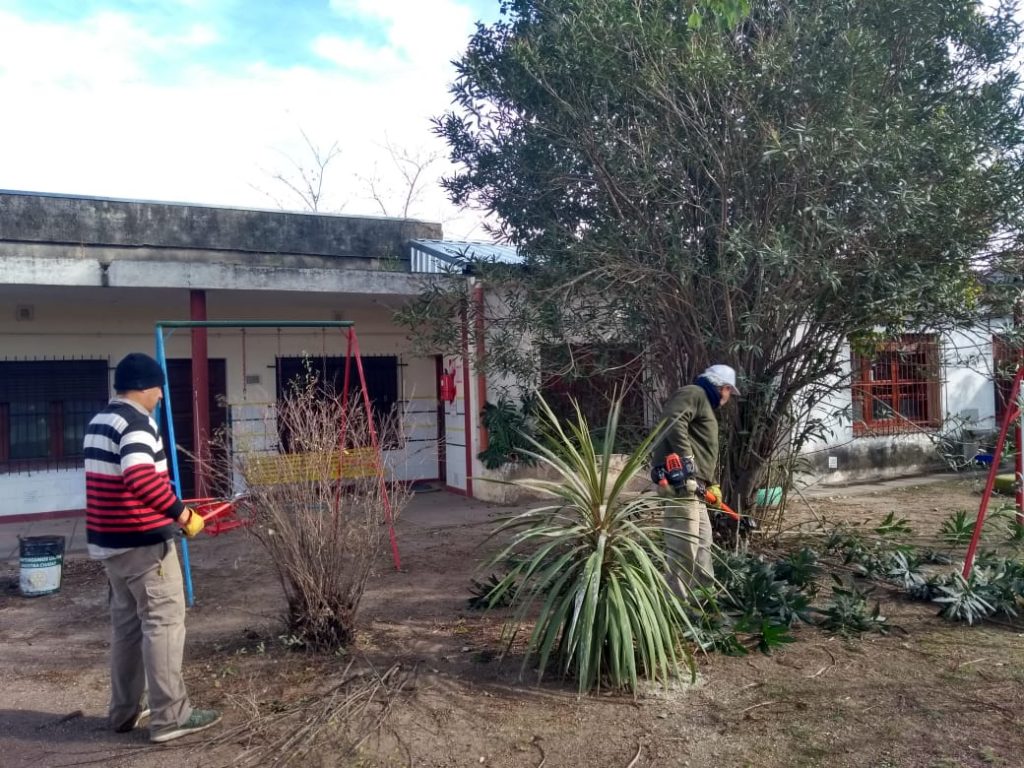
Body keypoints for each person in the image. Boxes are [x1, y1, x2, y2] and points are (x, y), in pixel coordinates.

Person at [84, 352, 221, 744]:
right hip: (144, 544)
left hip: (111, 545)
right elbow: (141, 479)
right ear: (143, 387)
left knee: (127, 629)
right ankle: (171, 717)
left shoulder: (99, 421)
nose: (161, 396)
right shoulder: (137, 423)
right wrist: (182, 514)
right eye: (158, 388)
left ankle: (124, 712)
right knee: (163, 624)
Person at [651, 364, 740, 594]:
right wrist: (686, 457)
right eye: (730, 391)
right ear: (722, 387)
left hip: (695, 485)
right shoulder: (694, 393)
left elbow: (700, 447)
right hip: (681, 483)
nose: (729, 397)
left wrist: (711, 484)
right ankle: (676, 602)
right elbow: (673, 419)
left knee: (702, 541)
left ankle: (702, 596)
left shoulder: (704, 403)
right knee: (684, 544)